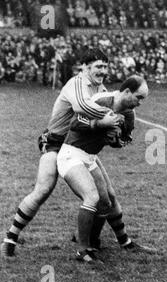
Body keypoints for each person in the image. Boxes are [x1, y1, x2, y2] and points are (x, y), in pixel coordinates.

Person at [1, 48, 117, 257]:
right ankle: (11, 236)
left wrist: (115, 126)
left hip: (77, 145)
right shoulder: (77, 84)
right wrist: (106, 118)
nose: (103, 71)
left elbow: (107, 112)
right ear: (85, 67)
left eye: (105, 66)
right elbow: (82, 108)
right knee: (43, 189)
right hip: (55, 142)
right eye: (98, 66)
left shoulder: (100, 87)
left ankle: (96, 240)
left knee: (106, 195)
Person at [57, 76, 154, 263]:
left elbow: (124, 139)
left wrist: (116, 140)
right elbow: (74, 123)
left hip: (90, 157)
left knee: (105, 202)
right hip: (72, 153)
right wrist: (101, 124)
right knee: (92, 197)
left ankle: (92, 242)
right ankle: (82, 250)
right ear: (126, 91)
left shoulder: (129, 114)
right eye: (139, 97)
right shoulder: (100, 101)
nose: (140, 103)